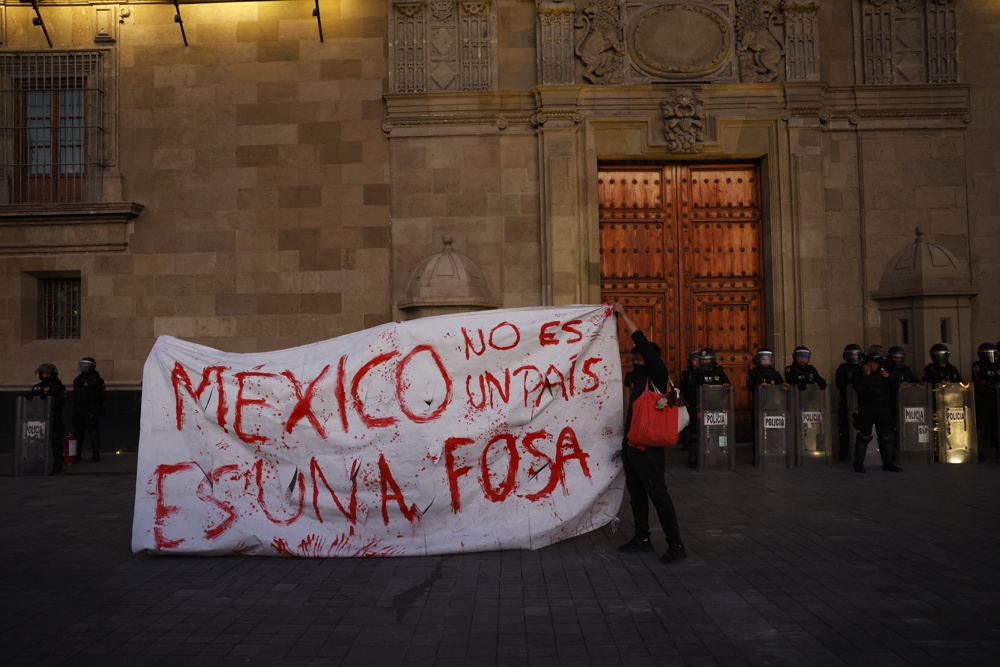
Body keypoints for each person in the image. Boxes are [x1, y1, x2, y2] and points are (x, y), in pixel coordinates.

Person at [612, 302, 687, 564]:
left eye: (640, 354)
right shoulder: (636, 379)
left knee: (659, 496)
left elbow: (641, 340)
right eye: (635, 355)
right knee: (637, 496)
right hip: (633, 447)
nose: (636, 356)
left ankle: (675, 544)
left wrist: (623, 316)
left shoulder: (657, 373)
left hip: (649, 450)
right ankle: (642, 538)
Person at [852, 346, 902, 473]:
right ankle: (858, 464)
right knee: (863, 436)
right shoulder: (860, 374)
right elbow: (858, 388)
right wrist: (866, 376)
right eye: (870, 363)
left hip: (883, 409)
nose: (872, 366)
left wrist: (888, 377)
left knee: (886, 437)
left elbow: (895, 387)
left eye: (874, 363)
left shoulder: (883, 375)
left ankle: (888, 463)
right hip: (867, 409)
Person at [688, 348, 731, 468]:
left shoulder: (719, 372)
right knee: (699, 434)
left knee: (718, 433)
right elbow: (690, 389)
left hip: (717, 408)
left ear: (712, 360)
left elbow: (728, 385)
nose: (705, 361)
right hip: (701, 407)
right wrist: (701, 388)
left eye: (707, 359)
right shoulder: (696, 374)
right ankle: (696, 460)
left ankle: (718, 458)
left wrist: (726, 386)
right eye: (703, 359)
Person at [746, 348, 786, 463]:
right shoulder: (753, 372)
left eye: (768, 358)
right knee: (759, 432)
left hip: (774, 407)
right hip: (760, 405)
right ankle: (758, 457)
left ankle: (773, 455)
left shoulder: (775, 373)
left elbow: (780, 386)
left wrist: (784, 386)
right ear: (758, 359)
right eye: (763, 358)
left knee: (774, 432)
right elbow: (750, 386)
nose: (765, 360)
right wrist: (759, 386)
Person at [30, 363, 67, 474]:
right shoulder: (37, 387)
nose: (45, 376)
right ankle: (36, 465)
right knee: (36, 442)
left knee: (55, 441)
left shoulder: (58, 387)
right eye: (43, 374)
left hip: (53, 418)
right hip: (38, 419)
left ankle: (58, 465)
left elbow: (62, 401)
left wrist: (49, 398)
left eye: (47, 374)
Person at [72, 357, 106, 463]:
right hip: (79, 409)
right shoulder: (78, 379)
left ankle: (95, 455)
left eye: (86, 365)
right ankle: (77, 454)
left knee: (93, 432)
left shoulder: (96, 379)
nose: (84, 367)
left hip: (91, 409)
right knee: (78, 433)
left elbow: (102, 395)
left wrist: (96, 408)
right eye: (82, 365)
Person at [835, 344, 864, 462]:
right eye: (851, 354)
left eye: (856, 354)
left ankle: (861, 454)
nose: (853, 357)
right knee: (845, 429)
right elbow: (840, 385)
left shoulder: (863, 367)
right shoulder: (843, 368)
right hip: (847, 402)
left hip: (862, 403)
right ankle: (844, 454)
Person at [971, 342, 1000, 460]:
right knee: (982, 427)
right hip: (983, 400)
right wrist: (995, 385)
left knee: (997, 426)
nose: (992, 356)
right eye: (989, 354)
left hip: (997, 400)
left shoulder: (998, 366)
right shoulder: (978, 366)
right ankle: (980, 452)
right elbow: (980, 380)